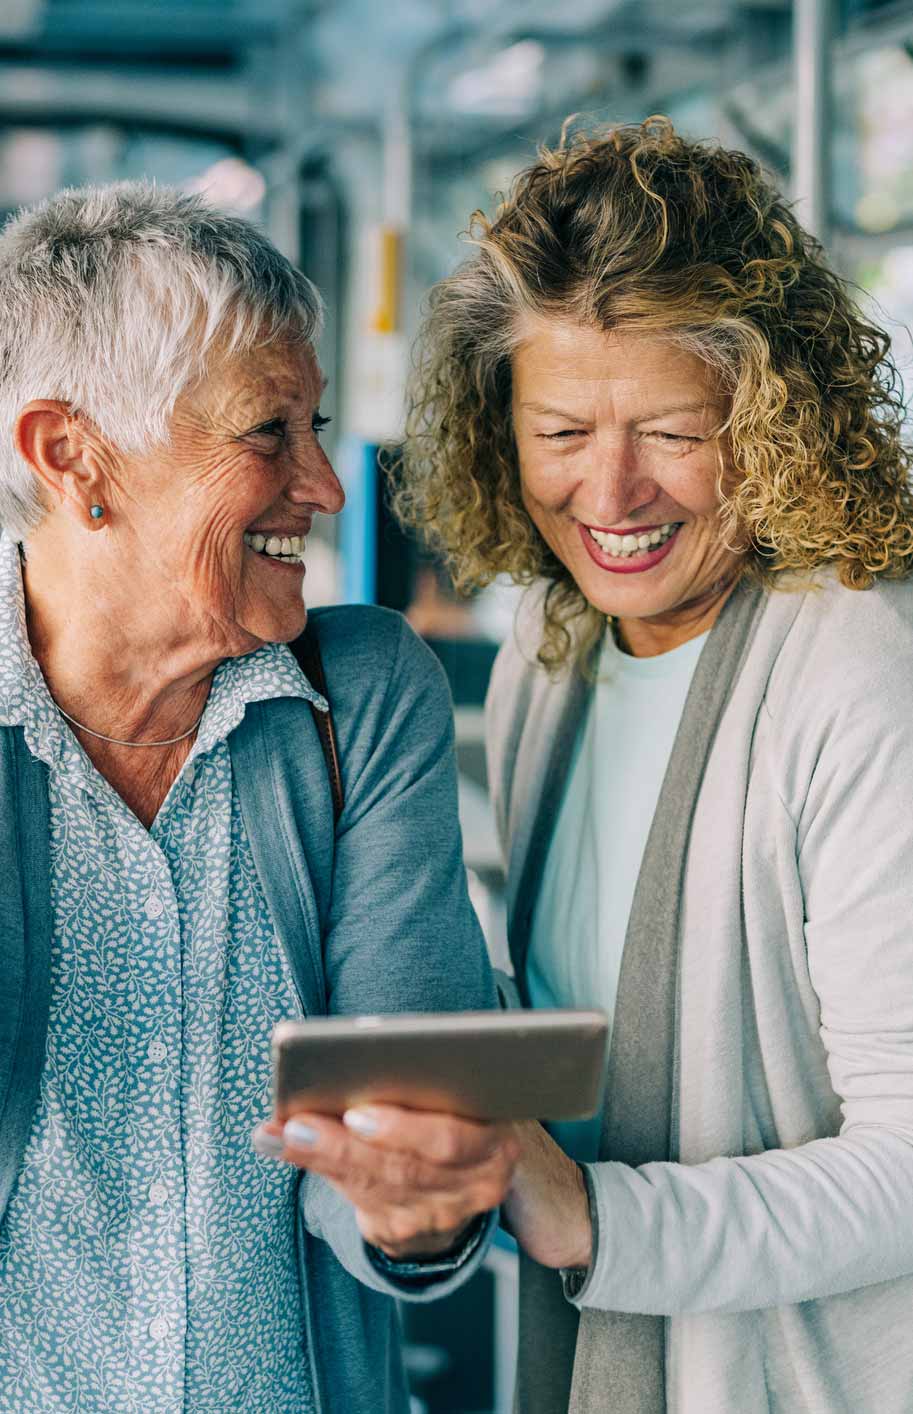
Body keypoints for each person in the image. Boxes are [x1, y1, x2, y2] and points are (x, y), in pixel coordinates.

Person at [393, 118, 913, 1413]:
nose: (611, 492)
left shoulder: (856, 660)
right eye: (561, 431)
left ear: (772, 413)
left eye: (673, 431)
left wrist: (591, 1219)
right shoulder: (548, 652)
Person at [0, 182, 519, 1414]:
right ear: (74, 457)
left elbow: (394, 1119)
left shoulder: (364, 692)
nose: (327, 487)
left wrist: (411, 1206)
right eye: (266, 434)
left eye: (317, 426)